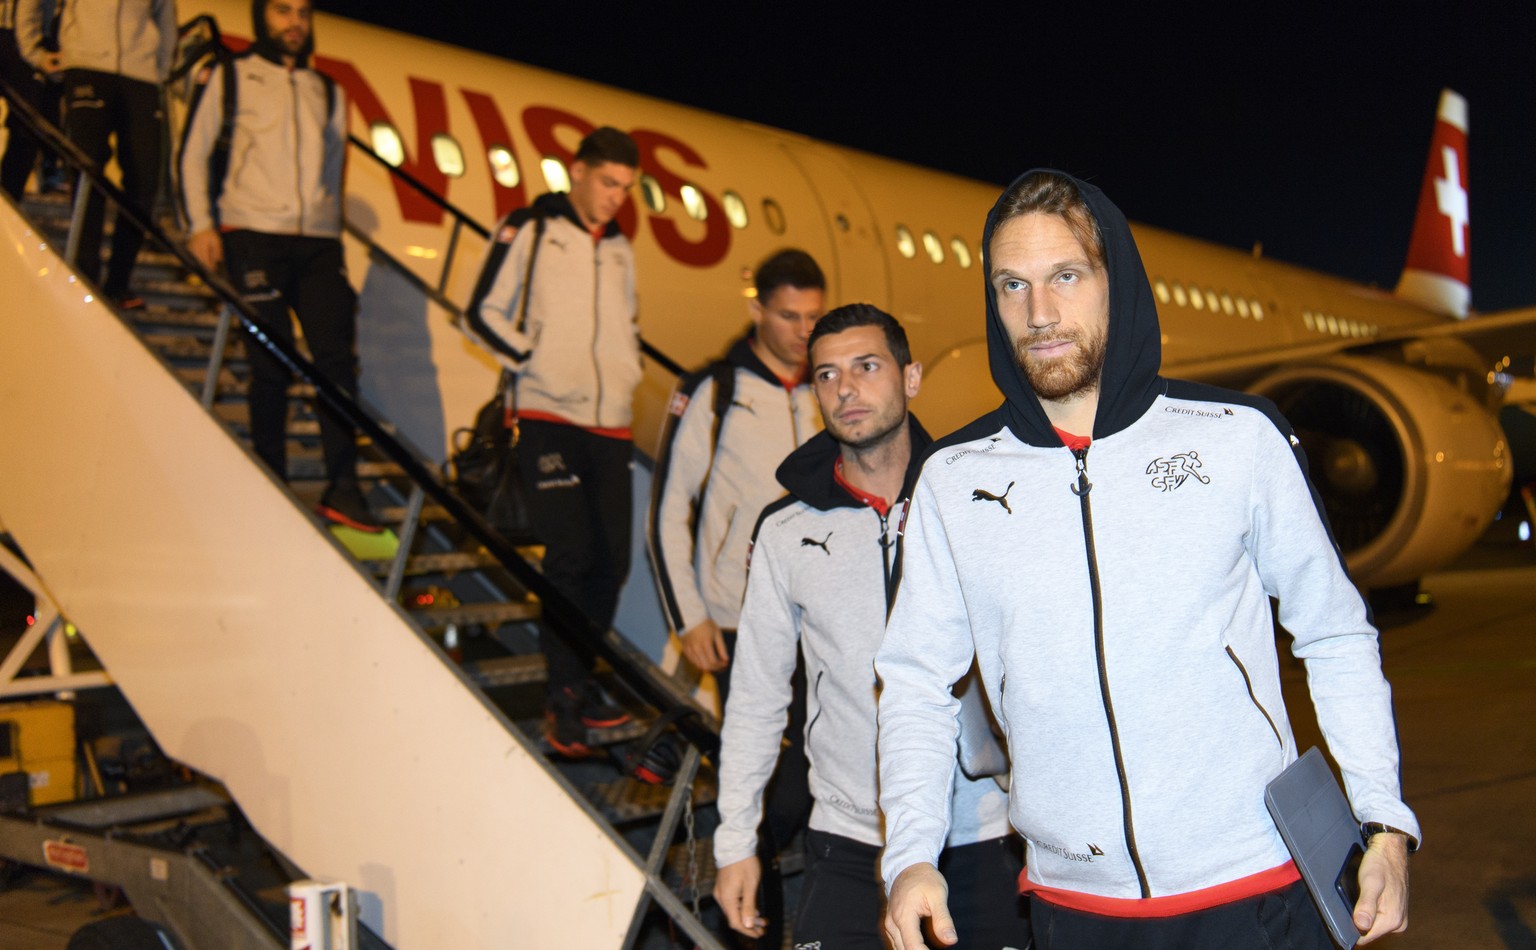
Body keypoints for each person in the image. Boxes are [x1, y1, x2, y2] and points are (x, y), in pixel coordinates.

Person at [876, 169, 1418, 950]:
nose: (1040, 313)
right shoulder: (953, 481)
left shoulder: (1236, 437)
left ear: (1115, 281)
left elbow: (1333, 633)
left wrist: (1384, 818)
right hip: (1073, 905)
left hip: (1255, 887)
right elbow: (917, 684)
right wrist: (911, 857)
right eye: (1012, 286)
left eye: (1066, 276)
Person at [715, 304, 1028, 950]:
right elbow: (756, 697)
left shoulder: (975, 505)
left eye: (866, 366)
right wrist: (734, 841)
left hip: (976, 837)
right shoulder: (785, 530)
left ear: (911, 379)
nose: (846, 389)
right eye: (826, 375)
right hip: (847, 841)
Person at [648, 247, 824, 948]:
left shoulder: (829, 387)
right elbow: (667, 511)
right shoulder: (712, 391)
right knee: (755, 779)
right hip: (734, 622)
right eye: (788, 316)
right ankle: (753, 929)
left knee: (810, 774)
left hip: (817, 622)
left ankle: (729, 859)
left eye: (814, 317)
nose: (803, 332)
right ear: (757, 310)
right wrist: (688, 616)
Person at [466, 126, 642, 756]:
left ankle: (578, 682)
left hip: (610, 423)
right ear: (577, 172)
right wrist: (532, 358)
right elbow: (481, 309)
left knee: (612, 562)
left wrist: (625, 372)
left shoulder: (621, 247)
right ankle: (564, 694)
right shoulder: (532, 229)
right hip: (548, 415)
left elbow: (627, 322)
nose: (616, 197)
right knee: (569, 555)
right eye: (607, 182)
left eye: (626, 187)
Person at [178, 0, 379, 533]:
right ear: (262, 18)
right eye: (283, 12)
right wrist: (202, 224)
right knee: (271, 362)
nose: (294, 24)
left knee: (337, 365)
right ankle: (271, 477)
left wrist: (332, 235)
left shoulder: (329, 93)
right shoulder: (231, 77)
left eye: (304, 14)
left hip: (316, 243)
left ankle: (344, 487)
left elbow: (334, 170)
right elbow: (193, 153)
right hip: (252, 237)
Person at [17, 0, 176, 308]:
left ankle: (119, 283)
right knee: (87, 171)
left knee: (145, 180)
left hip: (141, 74)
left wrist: (162, 66)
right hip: (86, 65)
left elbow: (165, 13)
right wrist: (34, 51)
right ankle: (85, 274)